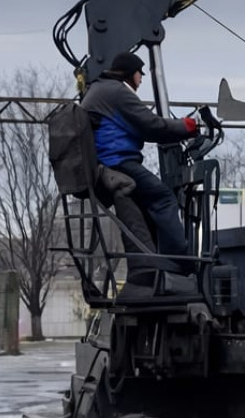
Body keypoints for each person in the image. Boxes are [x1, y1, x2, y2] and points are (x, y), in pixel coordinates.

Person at [81, 51, 198, 266]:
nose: (141, 78)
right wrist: (188, 126)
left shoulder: (99, 90)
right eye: (139, 73)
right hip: (117, 162)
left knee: (146, 207)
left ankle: (153, 264)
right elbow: (151, 125)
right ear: (129, 73)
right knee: (163, 198)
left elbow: (143, 129)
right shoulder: (117, 92)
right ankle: (180, 262)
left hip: (105, 164)